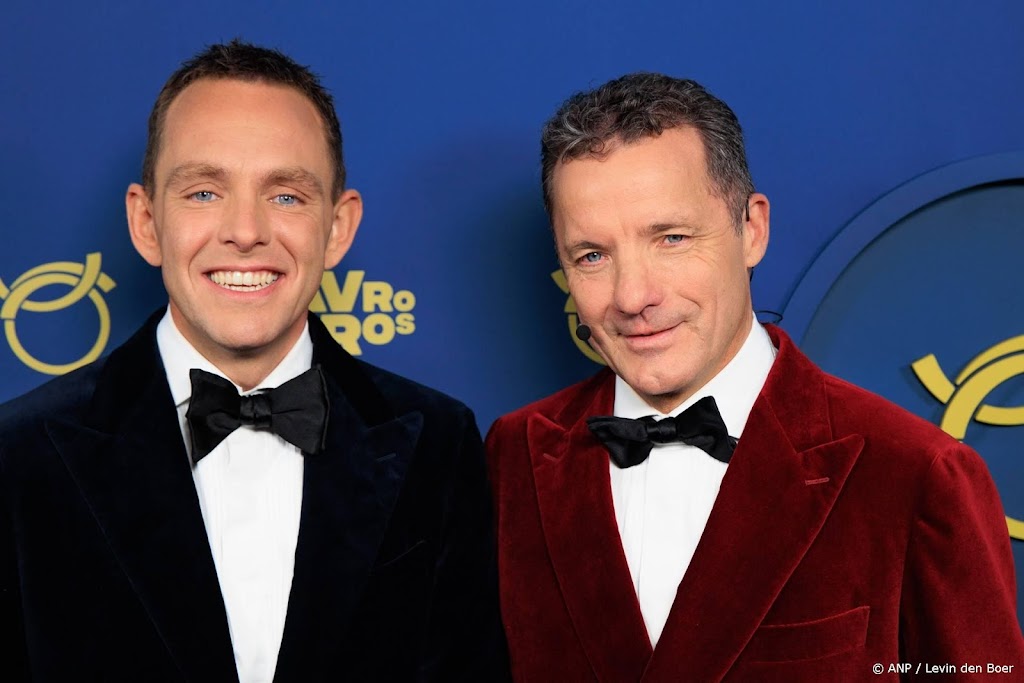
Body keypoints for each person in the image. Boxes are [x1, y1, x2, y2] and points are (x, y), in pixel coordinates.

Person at [486, 73, 1024, 681]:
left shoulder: (915, 474)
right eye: (592, 255)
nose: (633, 297)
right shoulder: (515, 453)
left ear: (752, 230)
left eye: (671, 238)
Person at [0, 40, 507, 682]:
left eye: (286, 196)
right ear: (146, 222)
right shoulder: (19, 457)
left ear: (338, 227)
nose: (245, 231)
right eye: (204, 192)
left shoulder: (438, 442)